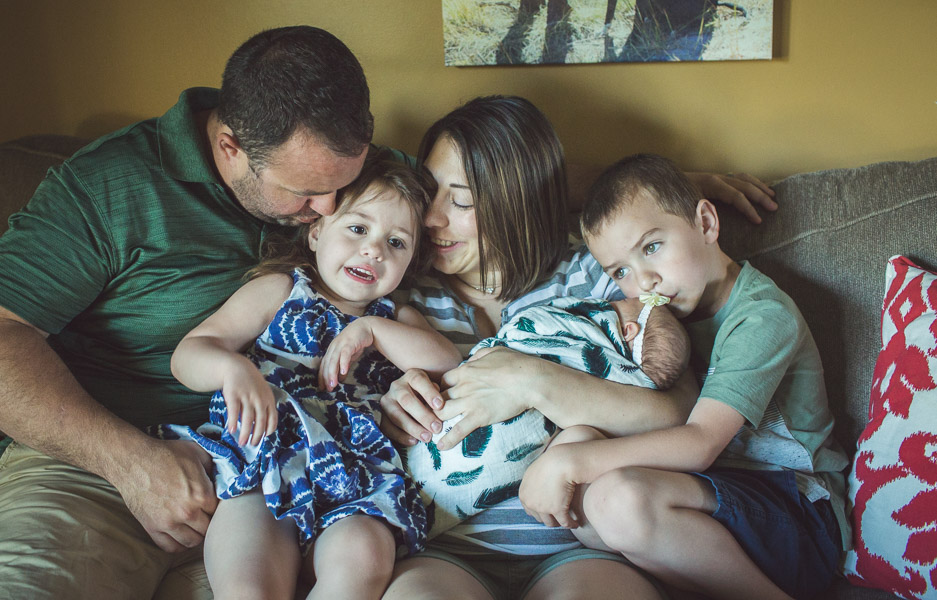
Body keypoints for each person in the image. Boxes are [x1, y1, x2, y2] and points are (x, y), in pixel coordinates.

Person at [0, 26, 379, 599]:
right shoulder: (108, 185)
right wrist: (129, 462)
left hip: (293, 467)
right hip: (101, 465)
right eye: (302, 192)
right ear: (230, 147)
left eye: (343, 184)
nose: (328, 209)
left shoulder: (366, 186)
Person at [377, 96, 777, 600]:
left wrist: (533, 380)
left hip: (578, 541)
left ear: (516, 199)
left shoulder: (596, 278)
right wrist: (392, 409)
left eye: (459, 200)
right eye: (430, 194)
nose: (431, 219)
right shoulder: (401, 294)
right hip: (448, 550)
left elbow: (676, 410)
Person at [518, 153, 850, 600]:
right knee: (585, 489)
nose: (645, 281)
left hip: (799, 511)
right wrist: (570, 444)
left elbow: (701, 442)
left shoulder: (761, 316)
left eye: (652, 247)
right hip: (717, 494)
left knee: (615, 498)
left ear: (707, 223)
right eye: (621, 272)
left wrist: (568, 463)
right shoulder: (661, 322)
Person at [158, 154, 463, 599]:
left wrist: (372, 330)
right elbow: (189, 353)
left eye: (396, 243)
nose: (374, 249)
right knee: (249, 585)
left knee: (365, 554)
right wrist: (233, 368)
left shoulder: (394, 317)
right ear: (317, 231)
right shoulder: (282, 289)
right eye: (357, 229)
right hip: (263, 460)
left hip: (354, 480)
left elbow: (447, 361)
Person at [410, 293, 690, 539]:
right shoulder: (410, 298)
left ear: (628, 330)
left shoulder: (607, 272)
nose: (611, 302)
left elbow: (676, 412)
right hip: (444, 540)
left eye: (618, 303)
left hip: (572, 548)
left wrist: (532, 379)